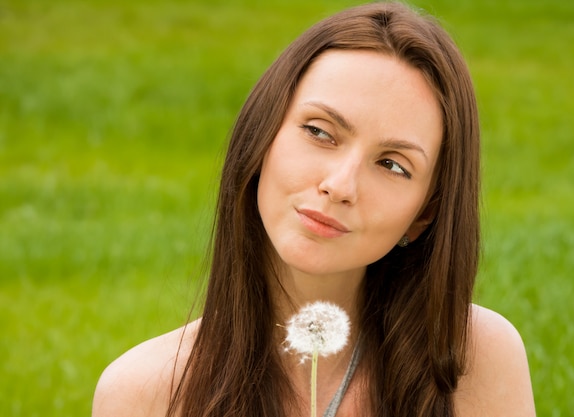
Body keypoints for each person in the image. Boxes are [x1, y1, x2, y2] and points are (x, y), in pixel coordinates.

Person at [92, 2, 535, 416]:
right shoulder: (144, 393)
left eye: (392, 165)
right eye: (320, 133)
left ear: (425, 213)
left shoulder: (476, 360)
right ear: (261, 135)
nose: (340, 185)